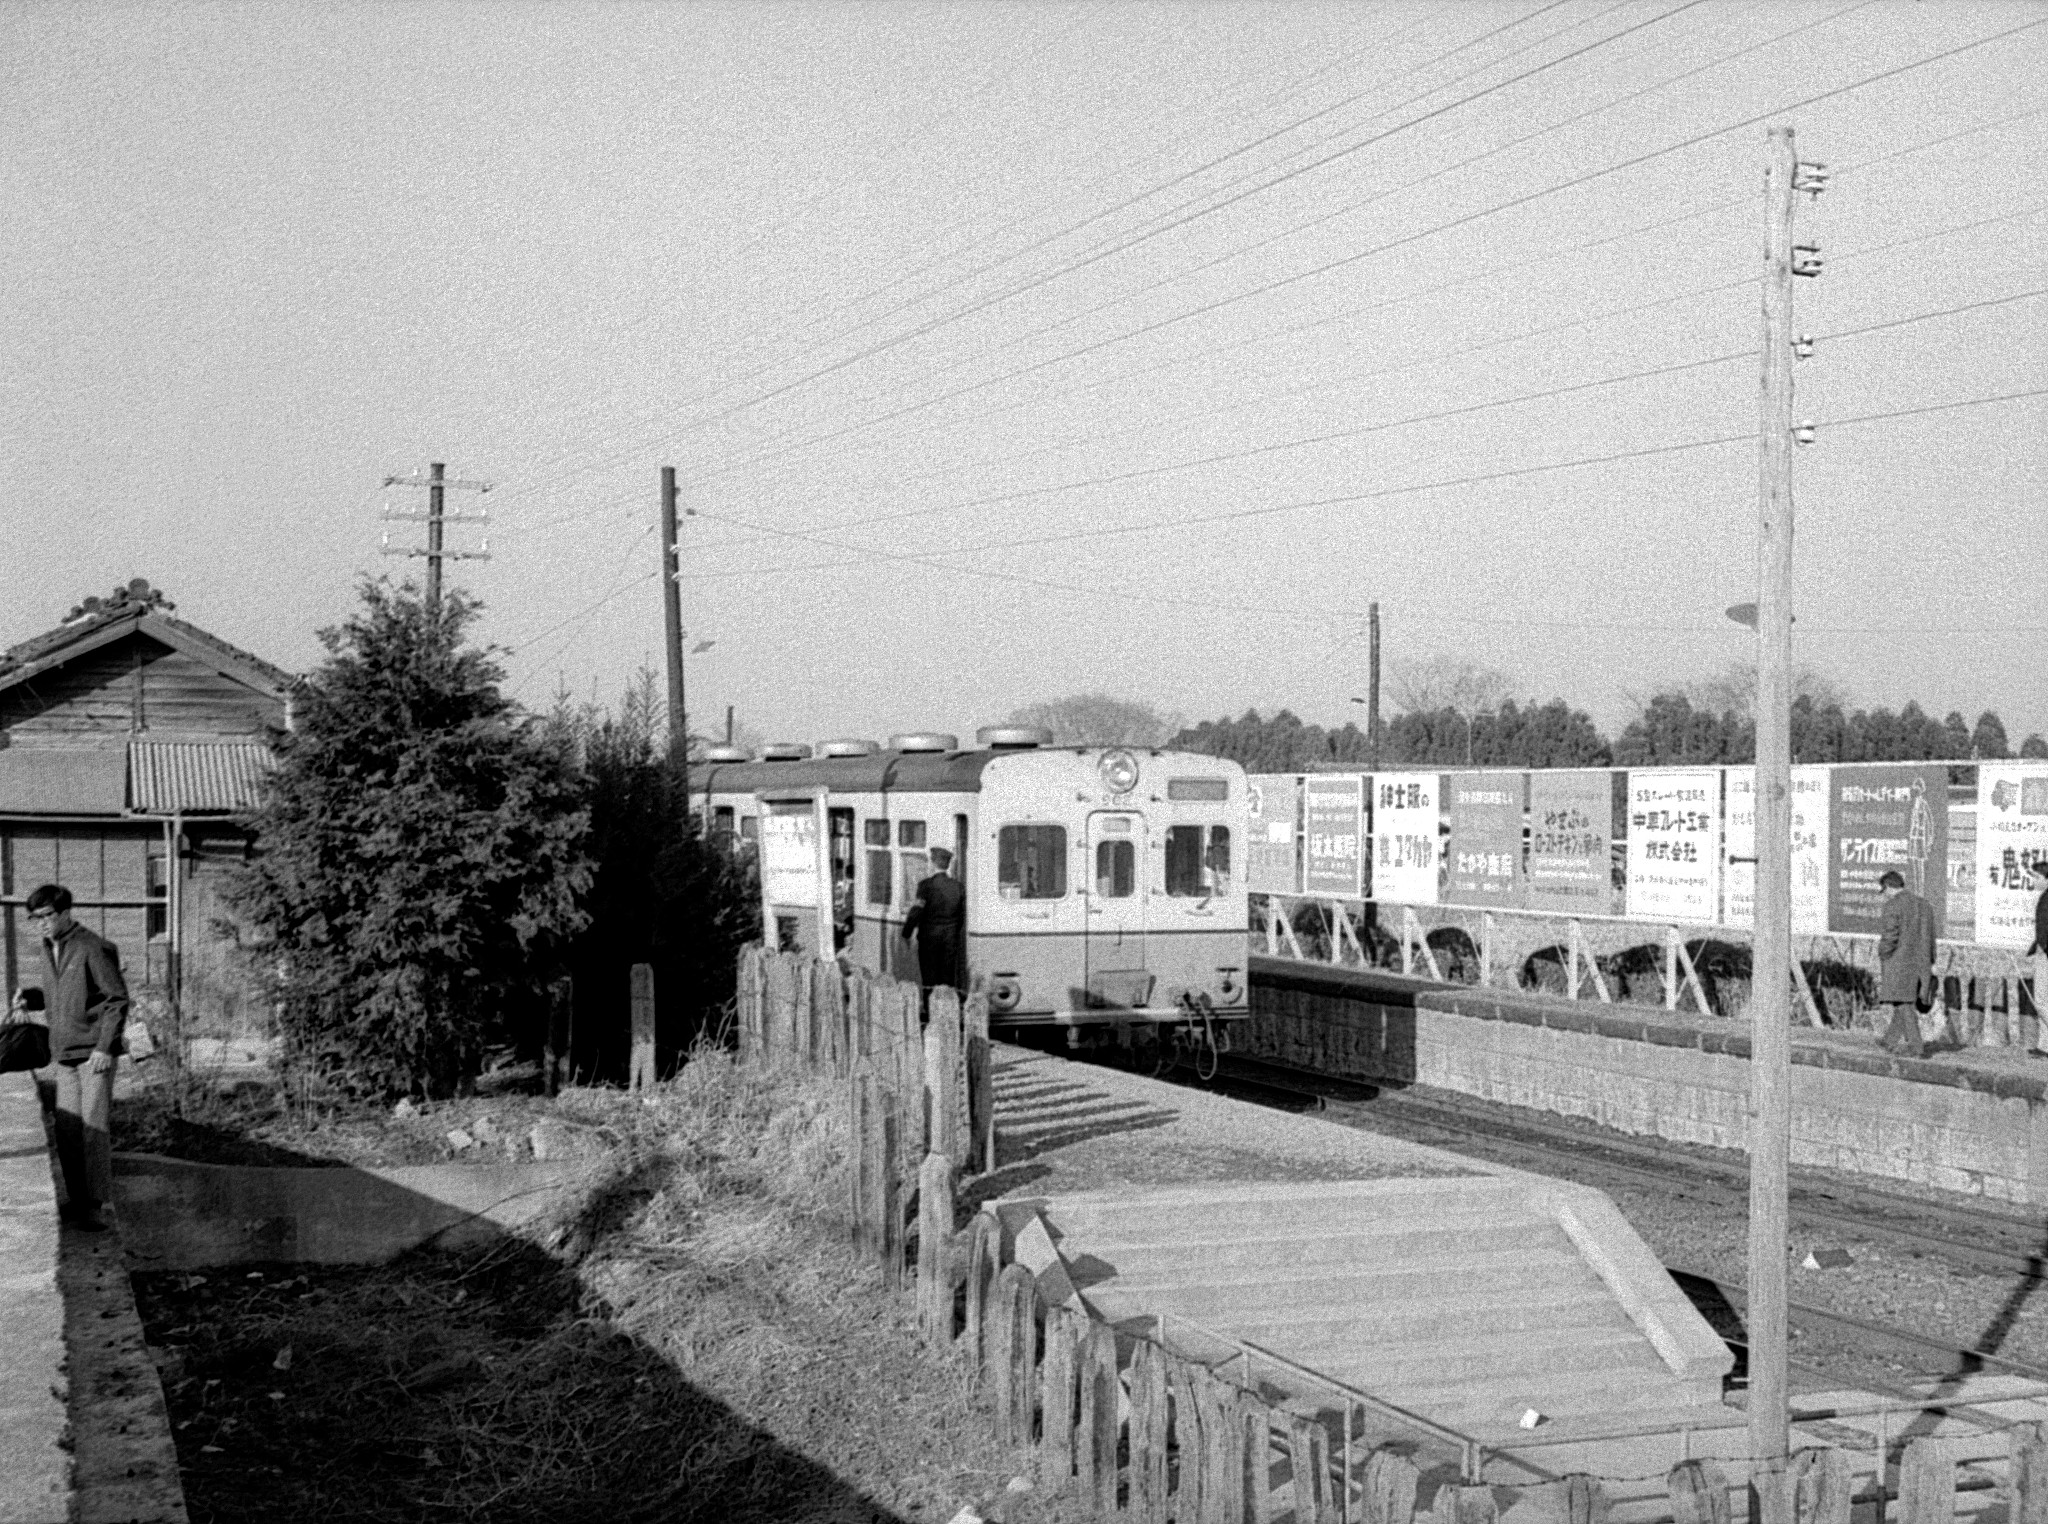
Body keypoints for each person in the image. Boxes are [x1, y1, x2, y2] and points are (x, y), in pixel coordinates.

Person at [13, 883, 129, 1231]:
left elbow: (116, 1000)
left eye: (47, 916)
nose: (41, 924)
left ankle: (98, 1207)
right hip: (63, 1054)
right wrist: (30, 999)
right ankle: (78, 1201)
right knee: (66, 1130)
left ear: (65, 913)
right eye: (35, 918)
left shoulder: (93, 947)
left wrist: (104, 1048)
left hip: (93, 1055)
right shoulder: (49, 949)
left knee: (93, 1130)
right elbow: (59, 996)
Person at [1874, 868, 1936, 1060]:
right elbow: (1931, 937)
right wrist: (1931, 960)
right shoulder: (1924, 905)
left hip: (1899, 962)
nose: (1884, 896)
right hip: (1921, 961)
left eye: (1883, 891)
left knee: (1903, 1003)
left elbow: (1890, 936)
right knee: (1906, 999)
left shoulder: (1893, 906)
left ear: (1888, 887)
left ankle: (1916, 1047)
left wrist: (1883, 954)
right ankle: (1890, 1040)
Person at [901, 846, 966, 1003]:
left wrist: (906, 933)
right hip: (950, 938)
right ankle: (947, 1009)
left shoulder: (925, 886)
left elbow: (916, 910)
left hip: (929, 938)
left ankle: (931, 1012)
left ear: (932, 863)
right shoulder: (958, 887)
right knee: (947, 976)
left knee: (929, 976)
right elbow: (961, 916)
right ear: (947, 865)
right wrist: (953, 931)